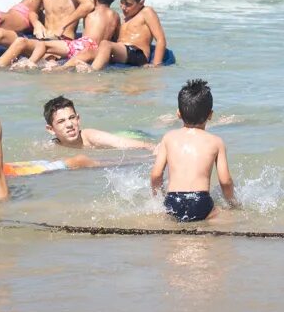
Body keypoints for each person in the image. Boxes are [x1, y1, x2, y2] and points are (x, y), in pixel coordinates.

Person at [150, 80, 236, 223]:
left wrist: (157, 200)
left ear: (178, 114)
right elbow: (225, 181)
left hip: (173, 201)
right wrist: (233, 204)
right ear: (210, 115)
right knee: (223, 214)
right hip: (201, 202)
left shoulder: (168, 138)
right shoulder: (216, 141)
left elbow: (156, 175)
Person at [42, 0, 122, 71]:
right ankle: (61, 66)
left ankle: (57, 65)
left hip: (84, 47)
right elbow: (117, 37)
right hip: (98, 52)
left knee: (48, 49)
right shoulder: (116, 16)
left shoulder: (91, 12)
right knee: (80, 54)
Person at [44, 97, 153, 150]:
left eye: (72, 118)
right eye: (61, 121)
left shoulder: (92, 137)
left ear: (78, 119)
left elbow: (122, 143)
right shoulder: (51, 147)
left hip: (129, 135)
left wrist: (152, 147)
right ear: (51, 129)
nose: (69, 124)